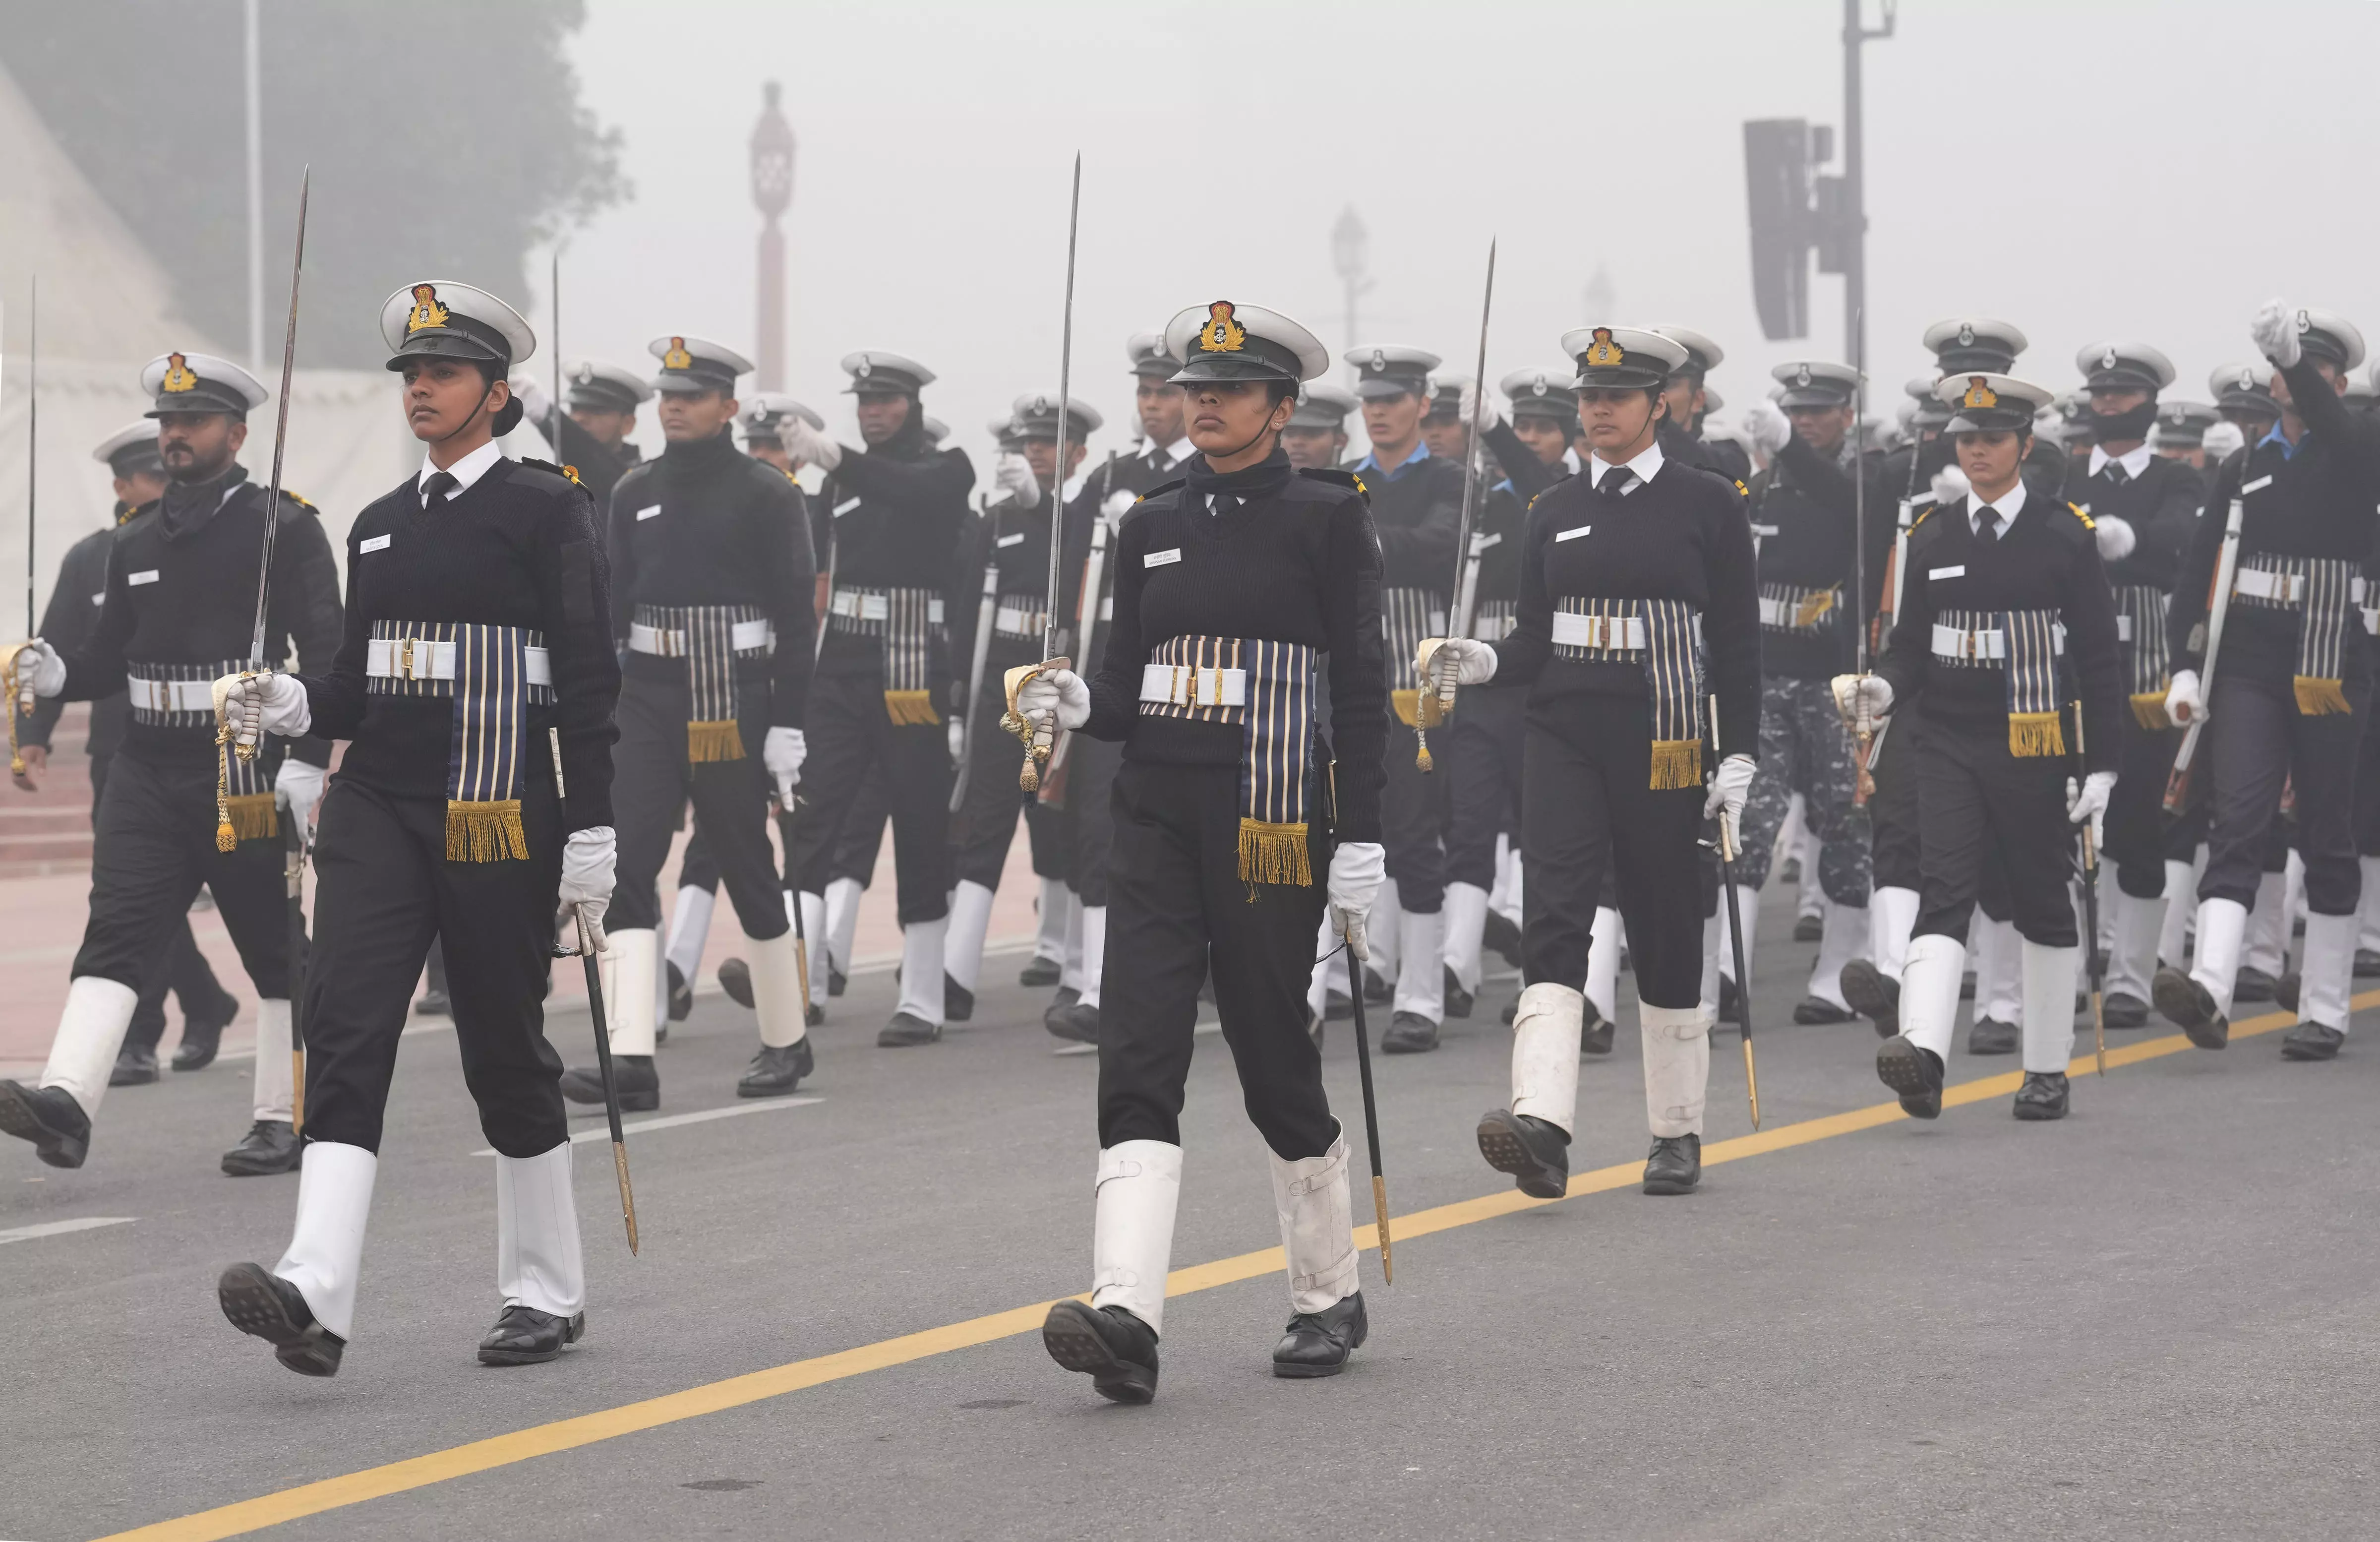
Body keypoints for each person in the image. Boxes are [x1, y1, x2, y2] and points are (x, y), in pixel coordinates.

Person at [208, 280, 618, 1374]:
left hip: (498, 809)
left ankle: (544, 1290)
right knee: (343, 1026)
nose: (420, 390)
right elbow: (354, 687)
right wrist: (290, 707)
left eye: (441, 374)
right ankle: (314, 1291)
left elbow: (585, 680)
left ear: (495, 391)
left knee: (502, 1046)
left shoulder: (549, 507)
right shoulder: (379, 528)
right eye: (411, 375)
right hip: (381, 804)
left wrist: (595, 828)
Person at [1020, 299, 1385, 1398]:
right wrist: (1087, 700)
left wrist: (1360, 835)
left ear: (1283, 409)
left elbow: (1361, 694)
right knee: (1139, 1046)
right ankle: (1125, 1310)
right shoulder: (1149, 520)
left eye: (1232, 389)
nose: (1206, 403)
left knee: (1272, 1049)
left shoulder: (1329, 519)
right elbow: (1130, 680)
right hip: (1157, 818)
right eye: (1197, 387)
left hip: (1270, 821)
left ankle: (1327, 1291)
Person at [1436, 324, 1760, 1199]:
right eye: (1589, 398)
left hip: (1666, 737)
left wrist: (1739, 755)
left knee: (1661, 919)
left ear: (1659, 403)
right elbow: (1538, 638)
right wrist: (1487, 659)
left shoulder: (1708, 500)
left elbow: (1735, 640)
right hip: (1566, 731)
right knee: (1557, 908)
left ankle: (1676, 1129)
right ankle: (1541, 1121)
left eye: (1616, 397)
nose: (1598, 411)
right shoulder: (1554, 509)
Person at [0, 353, 340, 1179]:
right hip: (146, 766)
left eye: (192, 421)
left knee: (271, 945)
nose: (175, 434)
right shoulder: (135, 537)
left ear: (237, 430)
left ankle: (283, 1112)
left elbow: (330, 657)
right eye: (168, 422)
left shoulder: (284, 526)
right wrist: (56, 676)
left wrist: (307, 761)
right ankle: (67, 1101)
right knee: (116, 928)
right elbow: (110, 657)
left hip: (243, 768)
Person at [1842, 370, 2123, 1123]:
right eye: (1966, 439)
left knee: (2039, 896)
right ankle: (1924, 1055)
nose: (1977, 452)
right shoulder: (1931, 535)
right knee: (1945, 886)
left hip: (2034, 744)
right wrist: (1883, 690)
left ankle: (2046, 1068)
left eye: (1993, 439)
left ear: (2025, 445)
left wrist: (2103, 765)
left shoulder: (2065, 535)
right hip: (1947, 739)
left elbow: (2099, 658)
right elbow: (1908, 648)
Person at [558, 335, 814, 1111]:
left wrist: (787, 724)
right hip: (649, 696)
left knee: (745, 861)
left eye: (693, 394)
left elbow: (796, 620)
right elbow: (614, 607)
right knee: (627, 862)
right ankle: (631, 1054)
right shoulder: (635, 490)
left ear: (729, 406)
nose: (674, 405)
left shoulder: (768, 493)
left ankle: (785, 1037)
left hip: (735, 698)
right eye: (669, 394)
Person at [2159, 304, 2380, 1061]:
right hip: (2251, 657)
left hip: (2330, 659)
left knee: (2326, 828)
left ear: (2340, 382)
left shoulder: (2361, 445)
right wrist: (2184, 659)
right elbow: (2197, 574)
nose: (2299, 380)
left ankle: (2324, 1005)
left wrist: (2293, 365)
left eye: (2316, 368)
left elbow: (2340, 432)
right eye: (2292, 365)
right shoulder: (2246, 464)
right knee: (2239, 815)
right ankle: (2212, 990)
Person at [16, 422, 239, 1080]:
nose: (166, 487)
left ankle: (199, 1008)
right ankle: (155, 1025)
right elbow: (54, 648)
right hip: (122, 754)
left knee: (169, 898)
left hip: (208, 752)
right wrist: (32, 737)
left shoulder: (207, 545)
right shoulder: (93, 556)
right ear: (121, 486)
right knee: (132, 898)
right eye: (151, 477)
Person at [775, 353, 974, 1047]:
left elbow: (912, 494)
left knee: (919, 827)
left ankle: (922, 996)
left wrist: (838, 457)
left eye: (886, 400)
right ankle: (797, 977)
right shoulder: (843, 483)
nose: (872, 410)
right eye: (864, 400)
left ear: (913, 404)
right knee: (811, 815)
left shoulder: (950, 470)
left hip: (913, 670)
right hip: (844, 665)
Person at [1731, 360, 1890, 1024]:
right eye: (1797, 413)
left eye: (1820, 412)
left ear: (1847, 416)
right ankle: (1722, 970)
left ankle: (1839, 975)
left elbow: (1852, 509)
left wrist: (1792, 450)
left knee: (1845, 823)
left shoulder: (1864, 481)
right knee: (1745, 824)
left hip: (1836, 680)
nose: (1807, 421)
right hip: (1766, 677)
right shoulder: (1765, 488)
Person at [945, 392, 1101, 1024]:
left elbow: (1076, 562)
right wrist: (962, 700)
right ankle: (953, 969)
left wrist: (1043, 510)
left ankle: (1068, 960)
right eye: (1028, 443)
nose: (1036, 452)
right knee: (986, 817)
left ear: (1077, 453)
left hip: (1060, 674)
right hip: (1001, 676)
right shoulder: (995, 518)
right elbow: (966, 611)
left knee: (1060, 820)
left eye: (1050, 443)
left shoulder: (1088, 514)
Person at [2063, 342, 2203, 1030]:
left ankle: (2130, 976)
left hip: (2144, 669)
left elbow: (2183, 534)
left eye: (2124, 394)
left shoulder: (2175, 479)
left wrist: (2132, 537)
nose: (2111, 403)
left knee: (2137, 823)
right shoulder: (2059, 475)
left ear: (2148, 405)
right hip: (2067, 666)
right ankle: (2074, 959)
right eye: (2102, 394)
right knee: (2063, 817)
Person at [1432, 367, 1564, 1031]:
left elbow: (1539, 489)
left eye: (1544, 427)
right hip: (1482, 684)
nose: (1533, 438)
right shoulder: (1480, 499)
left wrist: (1495, 433)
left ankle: (1538, 973)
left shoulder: (1566, 495)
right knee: (1470, 823)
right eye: (1525, 426)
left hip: (1541, 686)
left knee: (1540, 834)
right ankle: (1455, 965)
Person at [1341, 344, 1462, 1051]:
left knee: (1416, 837)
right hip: (1351, 682)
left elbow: (1436, 548)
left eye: (1393, 400)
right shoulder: (1347, 480)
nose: (1379, 411)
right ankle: (1350, 973)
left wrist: (1355, 537)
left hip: (1416, 686)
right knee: (1351, 833)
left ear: (1423, 404)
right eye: (1371, 400)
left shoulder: (1449, 477)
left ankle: (1422, 995)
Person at [1649, 324, 1752, 484]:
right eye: (1645, 386)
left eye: (1667, 385)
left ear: (1698, 400)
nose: (1653, 396)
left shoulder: (1727, 458)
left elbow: (1723, 477)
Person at [1281, 381, 1358, 471]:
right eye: (1289, 433)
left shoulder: (1358, 485)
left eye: (1312, 434)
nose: (1298, 442)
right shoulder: (1263, 484)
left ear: (1341, 441)